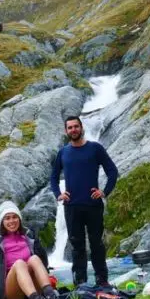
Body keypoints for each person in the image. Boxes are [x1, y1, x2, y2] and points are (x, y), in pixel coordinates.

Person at [50, 115, 119, 288]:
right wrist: (59, 194)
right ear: (66, 131)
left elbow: (112, 171)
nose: (73, 130)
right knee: (77, 245)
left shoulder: (95, 148)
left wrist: (104, 192)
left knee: (96, 244)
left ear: (81, 128)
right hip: (71, 207)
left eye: (76, 126)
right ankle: (80, 282)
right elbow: (53, 177)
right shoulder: (63, 152)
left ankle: (102, 280)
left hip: (93, 205)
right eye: (70, 128)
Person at [0, 201, 67, 299]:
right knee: (19, 263)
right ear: (1, 221)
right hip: (12, 292)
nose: (12, 221)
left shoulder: (28, 235)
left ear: (19, 219)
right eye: (7, 218)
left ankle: (50, 297)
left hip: (33, 286)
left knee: (34, 258)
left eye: (14, 217)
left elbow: (43, 261)